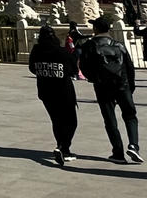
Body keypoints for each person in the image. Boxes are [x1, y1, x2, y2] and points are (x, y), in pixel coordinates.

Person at [79, 15, 141, 164]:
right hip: (122, 84)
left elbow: (84, 66)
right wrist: (130, 86)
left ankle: (118, 152)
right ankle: (133, 145)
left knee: (110, 119)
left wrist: (94, 78)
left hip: (103, 86)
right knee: (130, 115)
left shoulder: (89, 45)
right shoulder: (119, 45)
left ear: (95, 29)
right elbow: (129, 67)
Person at [28, 24, 79, 165]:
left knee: (56, 120)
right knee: (71, 121)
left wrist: (44, 73)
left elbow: (32, 67)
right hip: (63, 91)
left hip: (45, 91)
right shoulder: (61, 52)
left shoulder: (36, 51)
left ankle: (62, 146)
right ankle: (63, 147)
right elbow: (73, 69)